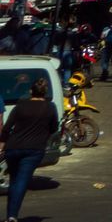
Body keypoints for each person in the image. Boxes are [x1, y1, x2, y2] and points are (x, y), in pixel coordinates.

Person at [1, 77, 56, 221]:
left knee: (14, 180)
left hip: (13, 147)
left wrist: (2, 143)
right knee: (22, 181)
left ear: (31, 91)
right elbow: (54, 128)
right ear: (45, 93)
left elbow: (7, 128)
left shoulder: (20, 106)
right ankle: (12, 216)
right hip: (34, 150)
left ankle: (10, 215)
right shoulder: (50, 107)